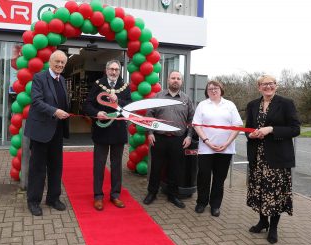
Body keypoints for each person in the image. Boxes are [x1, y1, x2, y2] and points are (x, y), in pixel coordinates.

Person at [245, 75, 300, 244]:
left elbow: (295, 129)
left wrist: (271, 129)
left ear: (276, 86)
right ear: (259, 87)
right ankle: (263, 221)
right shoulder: (252, 105)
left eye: (271, 84)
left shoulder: (286, 103)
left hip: (277, 158)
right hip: (258, 157)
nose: (268, 87)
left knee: (274, 193)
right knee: (260, 190)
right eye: (264, 84)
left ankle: (274, 228)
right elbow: (248, 128)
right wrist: (251, 134)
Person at [24, 50, 70, 216]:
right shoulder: (39, 77)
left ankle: (53, 198)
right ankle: (33, 201)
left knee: (56, 166)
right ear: (50, 62)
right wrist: (55, 111)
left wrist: (63, 112)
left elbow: (62, 102)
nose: (59, 65)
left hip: (57, 130)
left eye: (62, 63)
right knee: (38, 168)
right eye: (57, 61)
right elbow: (36, 101)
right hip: (41, 131)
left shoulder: (62, 80)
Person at [83, 60, 131, 211]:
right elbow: (87, 105)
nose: (114, 72)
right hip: (101, 130)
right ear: (106, 69)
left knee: (117, 165)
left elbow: (130, 105)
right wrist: (97, 113)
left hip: (118, 131)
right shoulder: (98, 84)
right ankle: (98, 196)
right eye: (111, 69)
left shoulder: (125, 86)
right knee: (99, 165)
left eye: (117, 69)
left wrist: (119, 101)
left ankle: (115, 195)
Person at [143, 70, 194, 209]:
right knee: (156, 167)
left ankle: (173, 195)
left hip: (178, 139)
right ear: (168, 80)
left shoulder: (186, 99)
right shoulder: (157, 97)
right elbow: (149, 116)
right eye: (173, 78)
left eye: (178, 78)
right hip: (159, 138)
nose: (175, 80)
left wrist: (189, 136)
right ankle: (152, 193)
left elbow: (191, 120)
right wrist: (150, 132)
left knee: (175, 168)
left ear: (181, 81)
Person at [192, 81, 243, 217]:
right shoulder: (202, 105)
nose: (213, 90)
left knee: (219, 178)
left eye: (216, 88)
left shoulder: (230, 105)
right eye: (210, 89)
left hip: (224, 149)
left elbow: (237, 125)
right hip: (206, 148)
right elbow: (196, 124)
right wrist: (206, 141)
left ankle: (215, 205)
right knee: (203, 176)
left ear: (221, 90)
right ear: (207, 92)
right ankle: (201, 202)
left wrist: (227, 143)